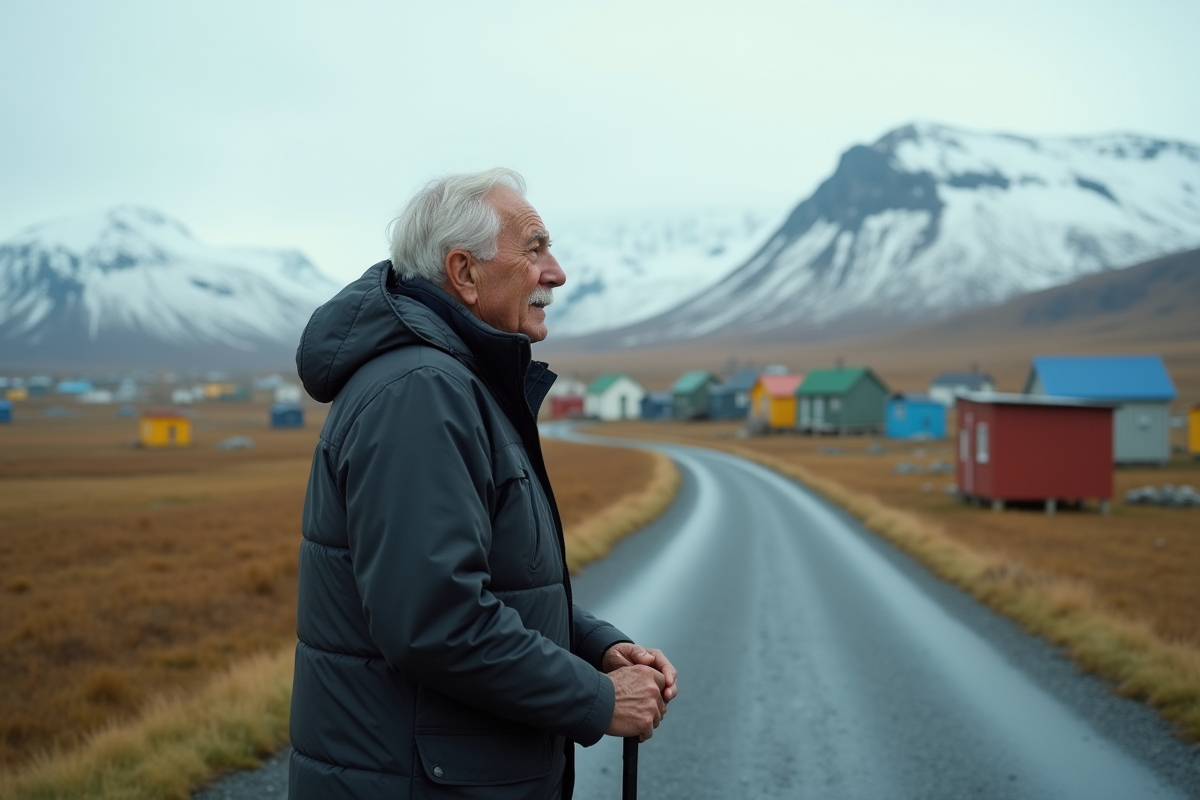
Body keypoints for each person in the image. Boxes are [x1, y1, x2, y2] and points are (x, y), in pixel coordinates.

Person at [289, 168, 678, 800]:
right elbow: (436, 618)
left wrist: (596, 647)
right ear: (464, 273)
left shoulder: (452, 382)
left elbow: (484, 583)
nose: (555, 272)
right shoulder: (421, 392)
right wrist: (598, 699)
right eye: (533, 250)